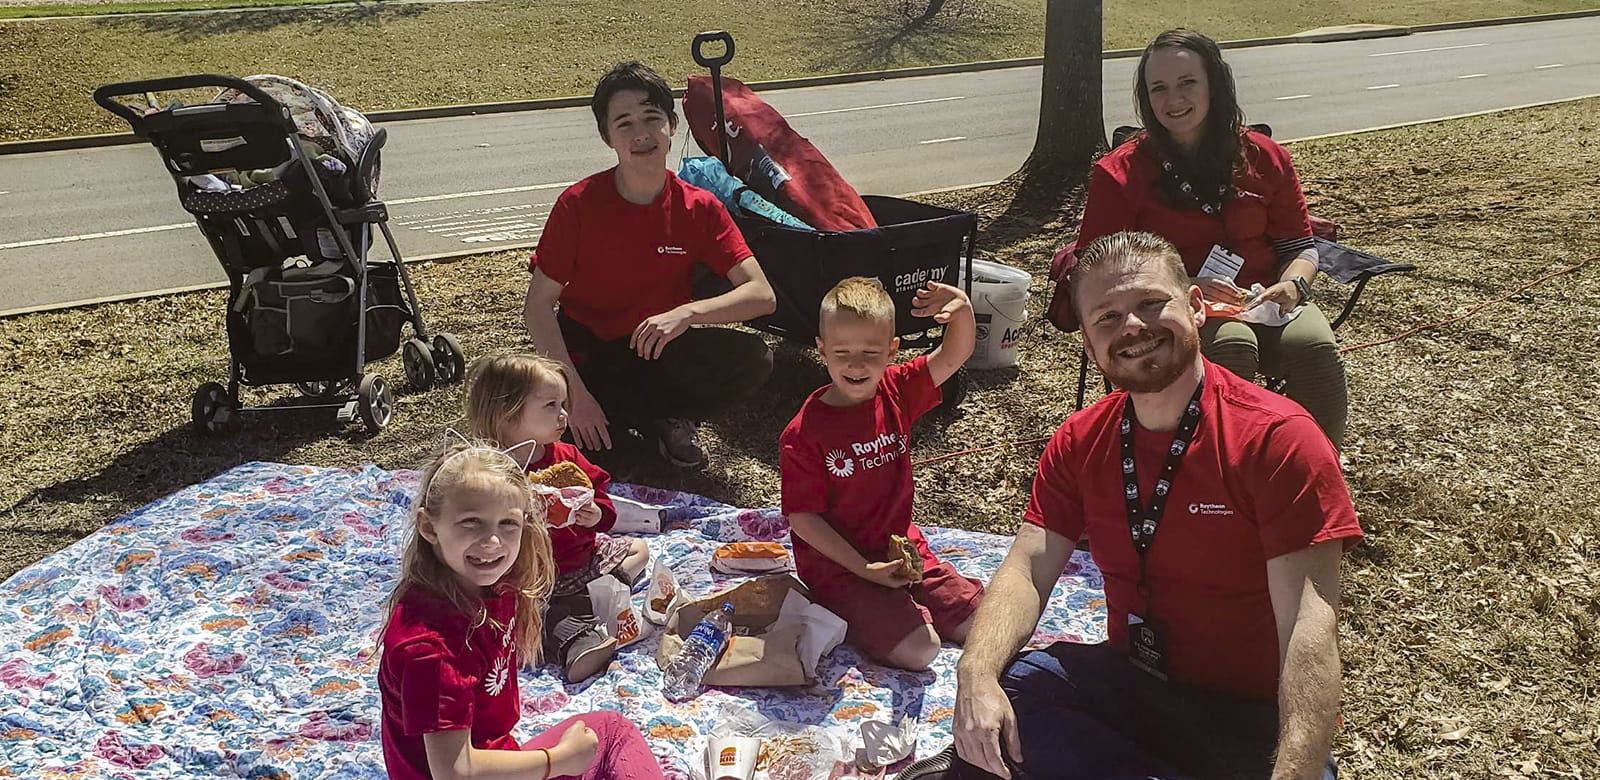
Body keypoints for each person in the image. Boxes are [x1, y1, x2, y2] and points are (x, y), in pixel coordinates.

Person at [917, 232, 1362, 780]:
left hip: (1244, 715)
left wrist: (1292, 771)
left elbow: (1309, 626)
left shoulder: (1278, 438)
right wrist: (975, 672)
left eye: (1151, 304)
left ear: (1197, 307)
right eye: (1107, 317)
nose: (1131, 326)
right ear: (1087, 343)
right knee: (1010, 694)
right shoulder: (1081, 439)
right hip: (1134, 684)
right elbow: (1029, 565)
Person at [1073, 29, 1348, 447]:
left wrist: (1293, 284)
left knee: (1315, 349)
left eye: (1187, 83)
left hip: (1264, 296)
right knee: (1234, 345)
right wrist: (1180, 290)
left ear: (1214, 84)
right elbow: (1097, 267)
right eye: (1158, 89)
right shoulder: (1121, 173)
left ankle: (1314, 470)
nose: (1173, 100)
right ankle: (1217, 471)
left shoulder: (1264, 156)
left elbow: (1300, 246)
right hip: (1173, 303)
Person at [523, 60, 778, 469]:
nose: (641, 134)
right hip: (590, 354)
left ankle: (670, 419)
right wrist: (574, 395)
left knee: (753, 357)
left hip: (657, 345)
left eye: (651, 118)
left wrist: (687, 314)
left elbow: (761, 295)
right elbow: (537, 306)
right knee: (608, 463)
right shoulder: (578, 204)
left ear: (672, 125)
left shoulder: (699, 207)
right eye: (624, 123)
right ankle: (622, 424)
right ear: (607, 136)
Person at [377, 441, 665, 780]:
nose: (493, 541)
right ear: (429, 527)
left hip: (497, 757)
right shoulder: (432, 648)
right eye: (471, 522)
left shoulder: (490, 585)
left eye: (508, 524)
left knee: (607, 731)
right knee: (612, 734)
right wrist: (556, 760)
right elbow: (454, 772)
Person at [779, 276, 982, 671]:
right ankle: (848, 614)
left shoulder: (898, 389)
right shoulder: (803, 433)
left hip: (901, 549)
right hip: (840, 568)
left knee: (984, 622)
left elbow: (952, 356)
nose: (856, 365)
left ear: (892, 350)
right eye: (842, 352)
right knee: (922, 649)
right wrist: (863, 569)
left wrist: (962, 310)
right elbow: (802, 518)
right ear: (822, 350)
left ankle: (906, 602)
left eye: (871, 352)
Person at [464, 352, 651, 683]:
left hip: (580, 561)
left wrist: (595, 514)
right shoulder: (489, 470)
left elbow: (601, 496)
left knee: (639, 550)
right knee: (526, 609)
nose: (563, 415)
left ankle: (598, 597)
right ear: (506, 413)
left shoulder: (566, 457)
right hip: (526, 577)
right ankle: (576, 641)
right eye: (550, 405)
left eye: (563, 404)